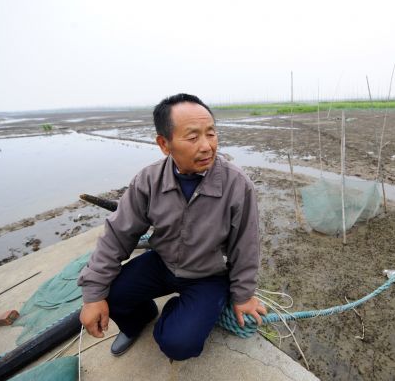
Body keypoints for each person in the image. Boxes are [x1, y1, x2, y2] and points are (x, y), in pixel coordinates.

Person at [77, 93, 266, 360]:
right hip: (162, 263)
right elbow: (118, 235)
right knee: (109, 295)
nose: (207, 146)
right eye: (192, 137)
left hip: (208, 275)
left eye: (211, 134)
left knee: (179, 344)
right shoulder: (148, 180)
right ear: (164, 144)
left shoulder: (237, 185)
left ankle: (178, 311)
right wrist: (93, 294)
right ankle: (140, 319)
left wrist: (244, 295)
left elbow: (246, 246)